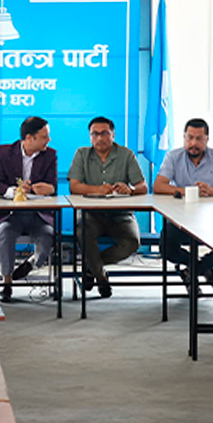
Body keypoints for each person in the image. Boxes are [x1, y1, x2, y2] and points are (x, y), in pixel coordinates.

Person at [154, 118, 213, 288]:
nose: (193, 143)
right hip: (180, 217)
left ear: (207, 139)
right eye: (190, 138)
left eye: (199, 139)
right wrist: (187, 191)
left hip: (211, 218)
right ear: (184, 137)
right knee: (166, 247)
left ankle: (193, 270)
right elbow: (158, 186)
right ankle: (200, 267)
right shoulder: (173, 157)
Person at [68, 115, 146, 297]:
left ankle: (91, 268)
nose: (99, 138)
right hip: (91, 214)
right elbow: (74, 186)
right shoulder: (82, 154)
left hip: (121, 215)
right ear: (90, 137)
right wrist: (98, 189)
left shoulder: (126, 154)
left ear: (113, 135)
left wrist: (130, 189)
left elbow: (143, 186)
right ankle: (101, 277)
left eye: (104, 133)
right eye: (94, 134)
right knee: (82, 232)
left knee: (132, 243)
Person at [0, 116, 59, 301]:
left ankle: (32, 262)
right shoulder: (4, 152)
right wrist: (13, 191)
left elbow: (53, 187)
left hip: (38, 215)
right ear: (29, 138)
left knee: (48, 235)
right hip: (11, 214)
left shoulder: (50, 155)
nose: (49, 140)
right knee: (5, 232)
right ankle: (7, 282)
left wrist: (47, 188)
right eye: (44, 136)